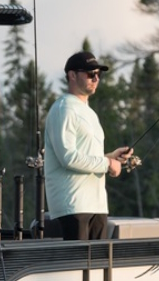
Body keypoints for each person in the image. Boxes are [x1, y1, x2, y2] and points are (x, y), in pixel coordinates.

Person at [43, 50, 132, 240]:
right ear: (72, 75)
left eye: (98, 74)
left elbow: (85, 154)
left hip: (96, 205)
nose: (96, 78)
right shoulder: (64, 109)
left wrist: (111, 157)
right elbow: (68, 157)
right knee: (77, 261)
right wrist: (107, 164)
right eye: (90, 74)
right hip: (73, 206)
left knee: (99, 260)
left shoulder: (89, 112)